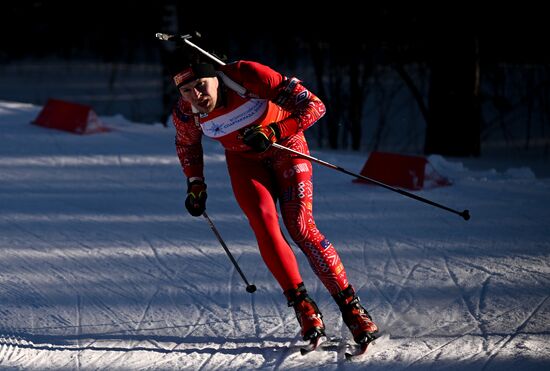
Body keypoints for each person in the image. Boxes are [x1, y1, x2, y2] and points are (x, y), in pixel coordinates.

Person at [169, 51, 379, 346]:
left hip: (286, 147)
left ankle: (352, 310)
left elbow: (315, 106)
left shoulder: (246, 75)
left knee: (300, 226)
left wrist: (276, 129)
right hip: (245, 161)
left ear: (215, 78)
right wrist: (195, 183)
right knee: (264, 225)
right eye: (187, 91)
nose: (197, 96)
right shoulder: (186, 112)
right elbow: (186, 144)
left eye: (201, 85)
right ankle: (305, 309)